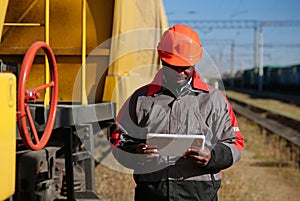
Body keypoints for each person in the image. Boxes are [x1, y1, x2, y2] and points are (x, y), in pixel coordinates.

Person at [110, 24, 244, 201]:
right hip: (152, 193)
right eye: (174, 66)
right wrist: (136, 152)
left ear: (195, 61)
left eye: (185, 67)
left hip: (199, 195)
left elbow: (235, 143)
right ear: (162, 60)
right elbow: (118, 139)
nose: (180, 73)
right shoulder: (140, 99)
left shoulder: (215, 100)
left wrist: (212, 157)